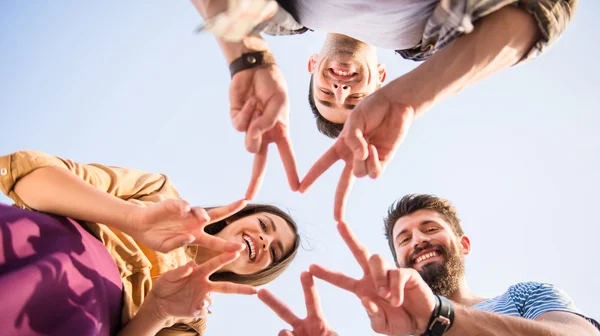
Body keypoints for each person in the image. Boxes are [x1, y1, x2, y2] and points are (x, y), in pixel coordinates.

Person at [192, 0, 577, 220]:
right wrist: (405, 101)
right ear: (381, 77)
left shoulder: (274, 13)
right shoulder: (435, 37)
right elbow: (546, 8)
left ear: (311, 68)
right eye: (355, 100)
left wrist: (248, 59)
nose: (341, 90)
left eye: (326, 95)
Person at [0, 150, 300, 336]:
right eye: (264, 226)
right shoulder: (160, 192)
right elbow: (24, 174)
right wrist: (134, 219)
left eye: (274, 252)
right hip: (27, 245)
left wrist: (156, 311)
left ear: (260, 273)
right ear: (237, 217)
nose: (265, 241)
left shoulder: (189, 320)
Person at [259, 194, 600, 336]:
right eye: (404, 239)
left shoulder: (526, 296)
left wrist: (440, 319)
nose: (418, 240)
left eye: (431, 228)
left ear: (463, 245)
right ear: (398, 263)